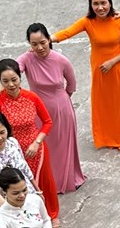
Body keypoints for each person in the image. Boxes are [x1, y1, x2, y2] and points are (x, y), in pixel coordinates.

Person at [52, 0, 120, 151]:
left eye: (103, 3)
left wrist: (112, 62)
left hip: (118, 70)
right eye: (95, 4)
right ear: (90, 5)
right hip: (100, 72)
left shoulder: (118, 20)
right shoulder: (87, 22)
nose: (100, 7)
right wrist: (45, 40)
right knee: (104, 105)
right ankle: (107, 137)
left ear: (110, 2)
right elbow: (67, 33)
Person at [0, 58, 60, 224]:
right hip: (11, 152)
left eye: (14, 79)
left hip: (36, 149)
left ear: (20, 77)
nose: (11, 85)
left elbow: (47, 122)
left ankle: (50, 215)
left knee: (43, 183)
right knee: (16, 186)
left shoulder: (31, 97)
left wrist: (37, 142)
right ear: (0, 82)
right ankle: (21, 219)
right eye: (5, 81)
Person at [18, 23, 84, 194]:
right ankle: (46, 181)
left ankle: (66, 179)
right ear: (29, 44)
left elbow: (71, 84)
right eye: (34, 44)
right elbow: (14, 70)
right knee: (44, 147)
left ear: (49, 39)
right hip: (38, 112)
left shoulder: (61, 60)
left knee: (62, 146)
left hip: (62, 110)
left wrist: (61, 100)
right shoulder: (26, 59)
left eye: (43, 42)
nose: (40, 48)